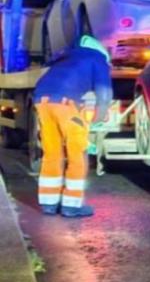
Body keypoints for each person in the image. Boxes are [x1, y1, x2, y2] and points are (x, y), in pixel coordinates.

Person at [33, 35, 112, 217]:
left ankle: (49, 203)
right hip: (66, 104)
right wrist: (99, 118)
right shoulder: (98, 59)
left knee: (52, 153)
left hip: (41, 101)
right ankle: (72, 205)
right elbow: (104, 92)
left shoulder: (67, 58)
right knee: (77, 154)